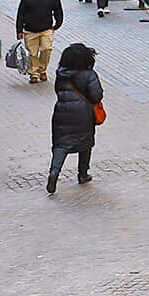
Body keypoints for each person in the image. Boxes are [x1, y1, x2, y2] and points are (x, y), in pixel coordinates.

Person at [45, 42, 102, 194]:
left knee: (60, 144)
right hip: (83, 113)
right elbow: (96, 96)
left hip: (61, 111)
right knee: (85, 142)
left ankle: (54, 172)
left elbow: (58, 90)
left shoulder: (61, 72)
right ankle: (83, 174)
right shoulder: (89, 75)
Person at [16, 0, 63, 84]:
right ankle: (34, 73)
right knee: (32, 53)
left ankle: (42, 70)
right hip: (30, 30)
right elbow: (20, 14)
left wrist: (57, 24)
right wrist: (19, 30)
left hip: (46, 29)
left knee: (47, 49)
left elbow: (58, 11)